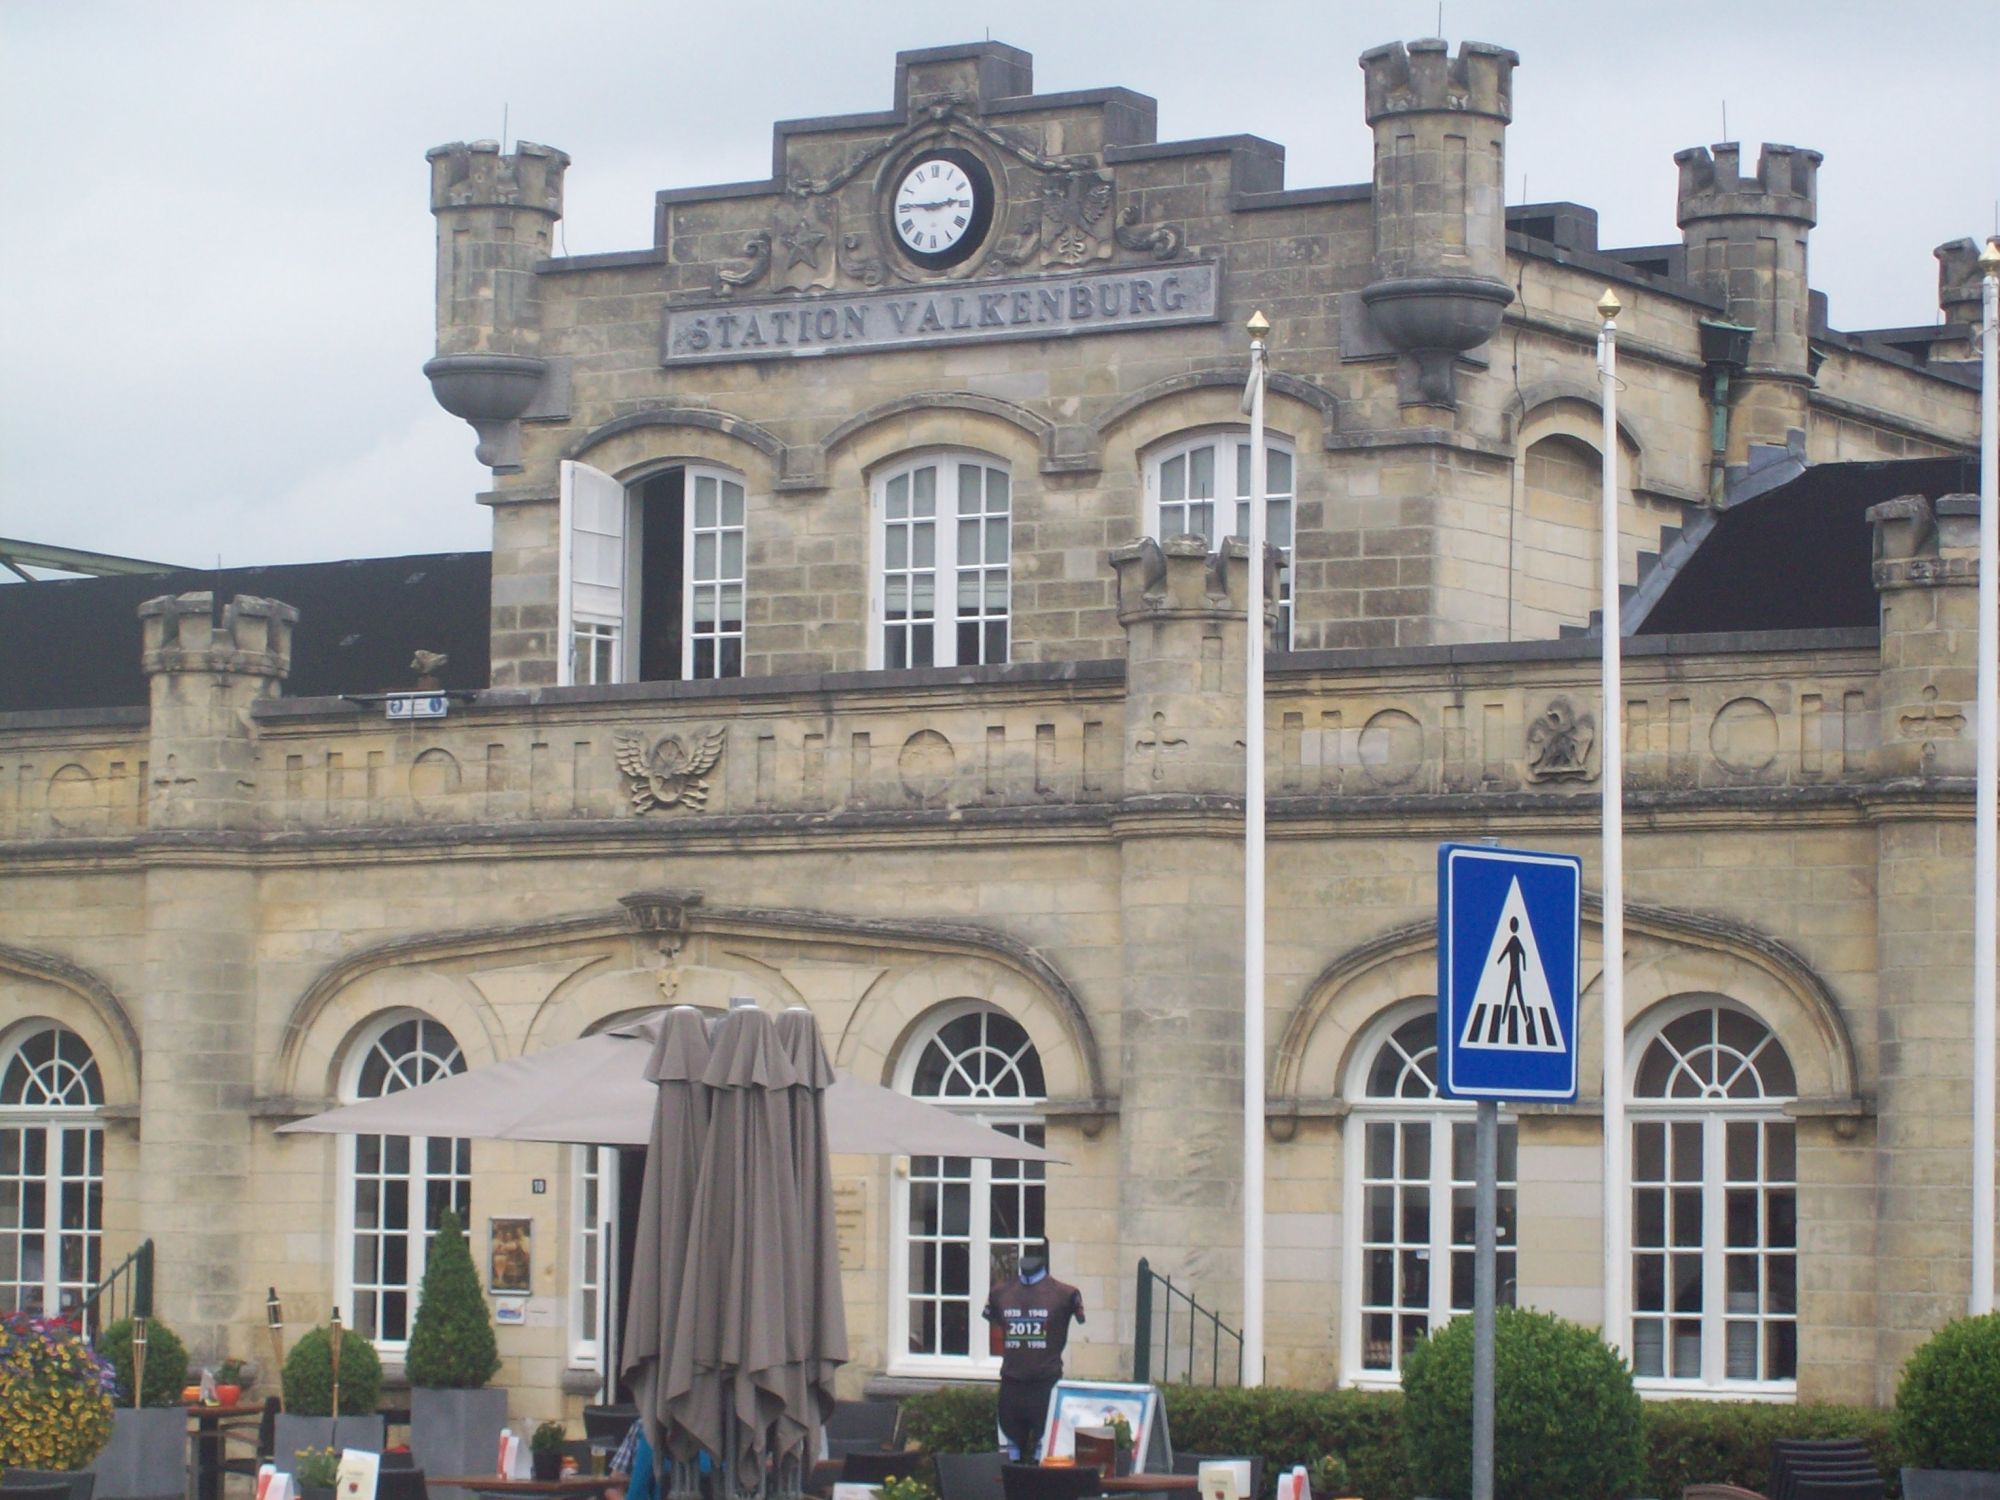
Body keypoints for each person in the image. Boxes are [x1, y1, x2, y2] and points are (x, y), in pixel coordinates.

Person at [981, 1239, 1085, 1462]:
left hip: (1045, 1386)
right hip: (1011, 1387)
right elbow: (992, 1319)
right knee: (1008, 1460)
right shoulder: (999, 1293)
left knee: (1046, 1459)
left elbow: (1080, 1318)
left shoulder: (1065, 1294)